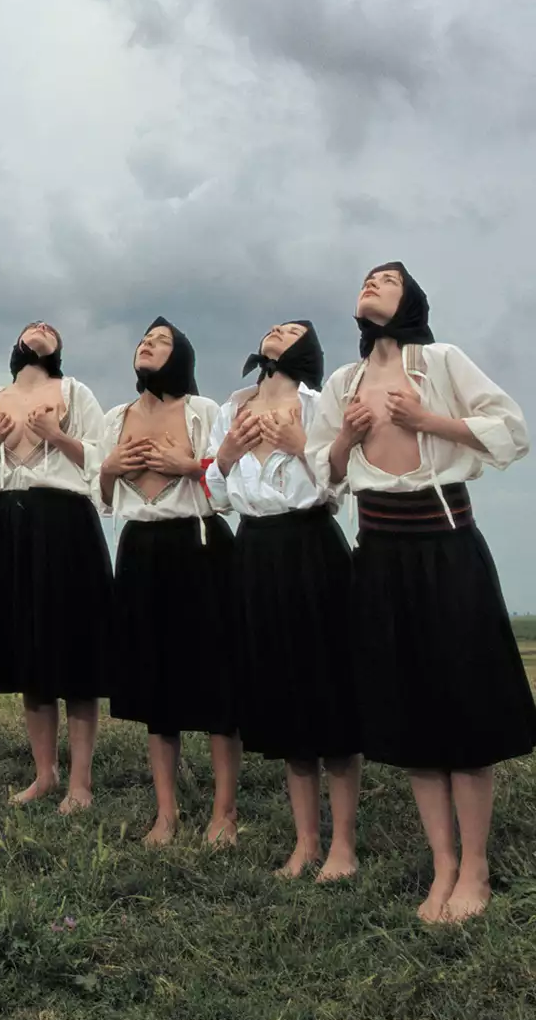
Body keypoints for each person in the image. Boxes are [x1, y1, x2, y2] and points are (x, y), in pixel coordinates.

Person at [308, 262, 535, 922]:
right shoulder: (343, 383)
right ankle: (441, 866)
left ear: (411, 299)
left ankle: (476, 869)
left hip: (447, 546)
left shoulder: (440, 361)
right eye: (366, 278)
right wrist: (346, 438)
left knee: (461, 704)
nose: (371, 282)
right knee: (410, 709)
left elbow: (512, 430)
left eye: (387, 278)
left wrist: (430, 418)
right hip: (379, 554)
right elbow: (322, 479)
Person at [207, 321, 360, 882]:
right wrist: (224, 455)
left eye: (294, 328)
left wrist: (301, 448)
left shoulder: (320, 404)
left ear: (305, 350)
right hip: (254, 549)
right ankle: (305, 842)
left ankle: (343, 845)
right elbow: (217, 497)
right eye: (275, 324)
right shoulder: (233, 408)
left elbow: (340, 483)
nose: (279, 329)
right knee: (281, 691)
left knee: (329, 693)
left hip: (311, 543)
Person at [97, 319, 240, 846]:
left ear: (181, 355)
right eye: (142, 340)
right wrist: (111, 467)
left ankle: (224, 813)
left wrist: (190, 465)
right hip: (140, 546)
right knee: (156, 685)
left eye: (159, 341)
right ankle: (166, 813)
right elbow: (102, 496)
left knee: (215, 681)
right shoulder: (117, 418)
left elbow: (227, 490)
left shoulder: (204, 413)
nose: (147, 345)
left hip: (199, 545)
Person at [0, 322, 112, 811]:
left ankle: (81, 783)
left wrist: (56, 434)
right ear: (18, 345)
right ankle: (44, 773)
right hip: (10, 519)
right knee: (26, 647)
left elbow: (100, 459)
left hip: (67, 518)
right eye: (33, 326)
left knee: (74, 649)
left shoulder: (75, 391)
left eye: (51, 328)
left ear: (59, 350)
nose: (42, 329)